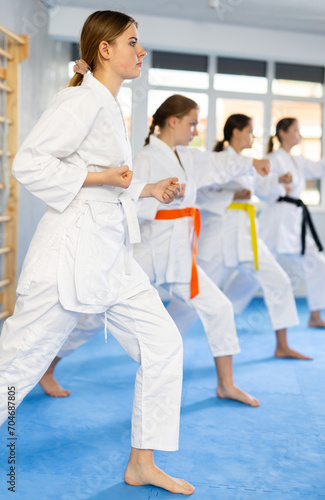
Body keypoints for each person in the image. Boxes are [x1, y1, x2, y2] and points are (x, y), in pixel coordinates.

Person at [0, 11, 195, 495]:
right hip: (68, 257)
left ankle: (142, 462)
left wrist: (148, 188)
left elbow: (110, 187)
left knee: (164, 345)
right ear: (105, 49)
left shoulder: (106, 104)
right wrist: (100, 178)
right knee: (16, 364)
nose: (141, 50)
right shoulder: (79, 101)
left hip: (111, 257)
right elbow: (29, 164)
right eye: (133, 41)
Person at [132, 95, 271, 407]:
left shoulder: (186, 156)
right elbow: (132, 203)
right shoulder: (146, 157)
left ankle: (227, 384)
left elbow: (220, 165)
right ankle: (49, 365)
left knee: (219, 308)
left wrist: (252, 162)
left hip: (180, 254)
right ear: (173, 121)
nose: (195, 130)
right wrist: (161, 197)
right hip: (148, 251)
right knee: (90, 314)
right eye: (192, 123)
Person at [195, 114, 312, 360]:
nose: (253, 136)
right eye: (249, 131)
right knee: (192, 292)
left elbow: (263, 188)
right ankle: (156, 338)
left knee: (279, 281)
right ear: (235, 132)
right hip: (220, 235)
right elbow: (200, 193)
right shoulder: (218, 160)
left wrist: (278, 180)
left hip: (248, 236)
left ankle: (282, 345)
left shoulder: (248, 162)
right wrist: (231, 196)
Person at [257, 117, 325, 328]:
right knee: (254, 266)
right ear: (283, 133)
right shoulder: (272, 159)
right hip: (275, 221)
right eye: (296, 130)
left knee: (318, 262)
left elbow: (319, 168)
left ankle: (315, 315)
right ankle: (230, 305)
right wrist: (278, 183)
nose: (299, 135)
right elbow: (259, 188)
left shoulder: (298, 160)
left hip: (295, 221)